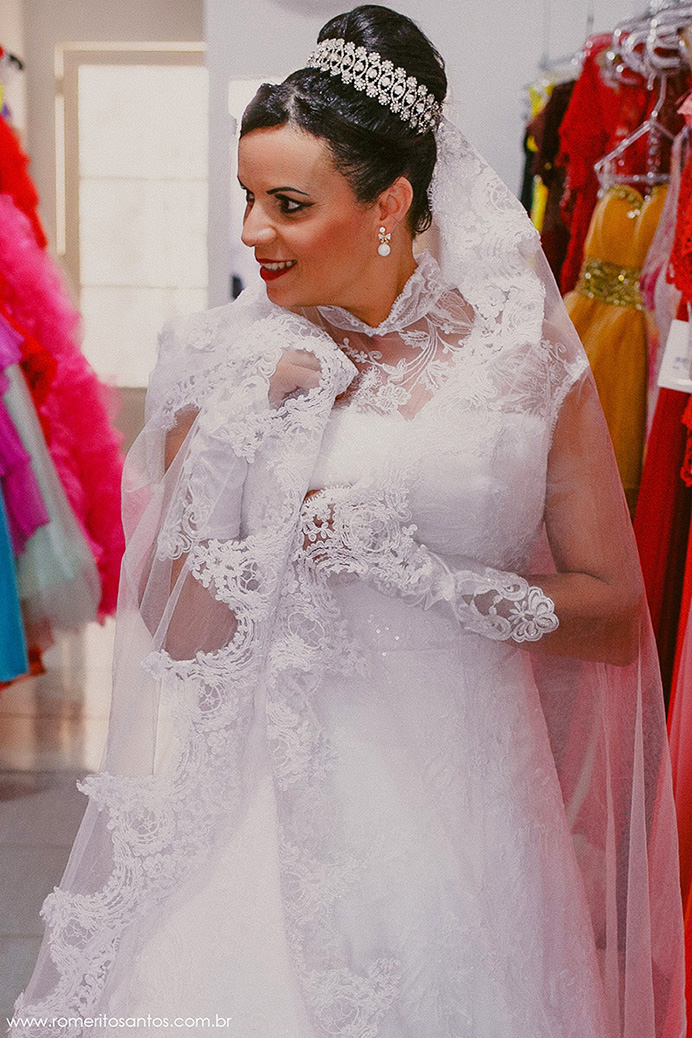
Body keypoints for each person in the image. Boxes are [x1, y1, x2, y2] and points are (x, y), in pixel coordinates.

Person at [11, 6, 686, 1037]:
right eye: (246, 198)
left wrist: (439, 581)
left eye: (286, 203)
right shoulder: (224, 359)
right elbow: (179, 637)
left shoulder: (523, 367)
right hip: (265, 824)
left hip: (467, 820)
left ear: (390, 204)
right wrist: (245, 442)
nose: (251, 234)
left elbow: (609, 611)